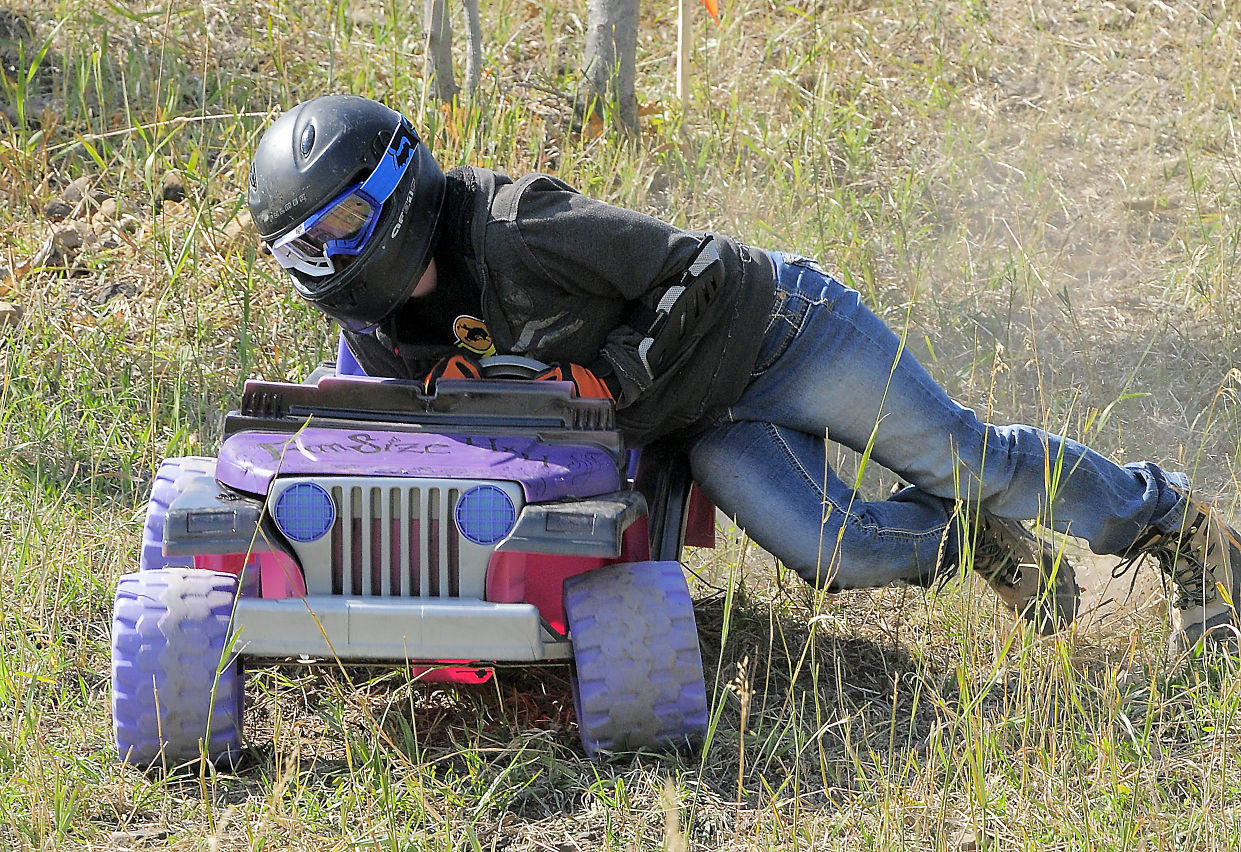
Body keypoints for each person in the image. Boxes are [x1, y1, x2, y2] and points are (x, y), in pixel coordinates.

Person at [246, 94, 1241, 654]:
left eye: (339, 227)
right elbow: (382, 434)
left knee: (963, 454)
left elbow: (699, 266)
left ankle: (1176, 530)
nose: (328, 261)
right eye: (304, 248)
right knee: (836, 550)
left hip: (779, 335)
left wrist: (612, 380)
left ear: (397, 186)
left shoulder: (517, 225)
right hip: (699, 423)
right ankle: (970, 539)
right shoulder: (378, 328)